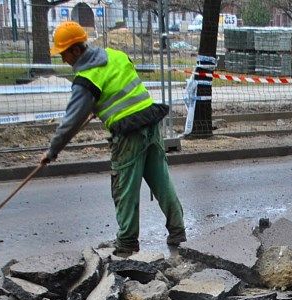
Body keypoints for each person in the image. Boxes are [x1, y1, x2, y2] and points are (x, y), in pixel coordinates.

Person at [41, 21, 185, 257]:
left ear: (75, 50)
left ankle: (127, 243)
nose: (63, 59)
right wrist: (100, 104)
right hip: (150, 121)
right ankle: (178, 232)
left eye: (63, 53)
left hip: (128, 134)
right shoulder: (115, 55)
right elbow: (124, 84)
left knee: (124, 188)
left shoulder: (86, 80)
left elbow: (70, 123)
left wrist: (52, 151)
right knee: (161, 180)